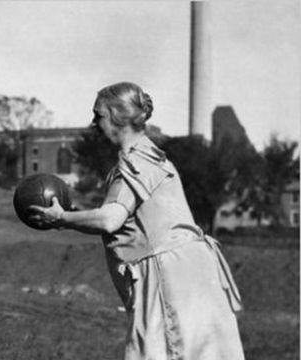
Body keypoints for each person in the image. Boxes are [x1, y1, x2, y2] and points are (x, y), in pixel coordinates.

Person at [29, 82, 244, 360]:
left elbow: (110, 219)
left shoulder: (136, 161)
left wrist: (61, 218)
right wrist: (78, 214)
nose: (94, 123)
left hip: (170, 276)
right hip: (191, 272)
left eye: (99, 115)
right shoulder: (153, 156)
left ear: (119, 117)